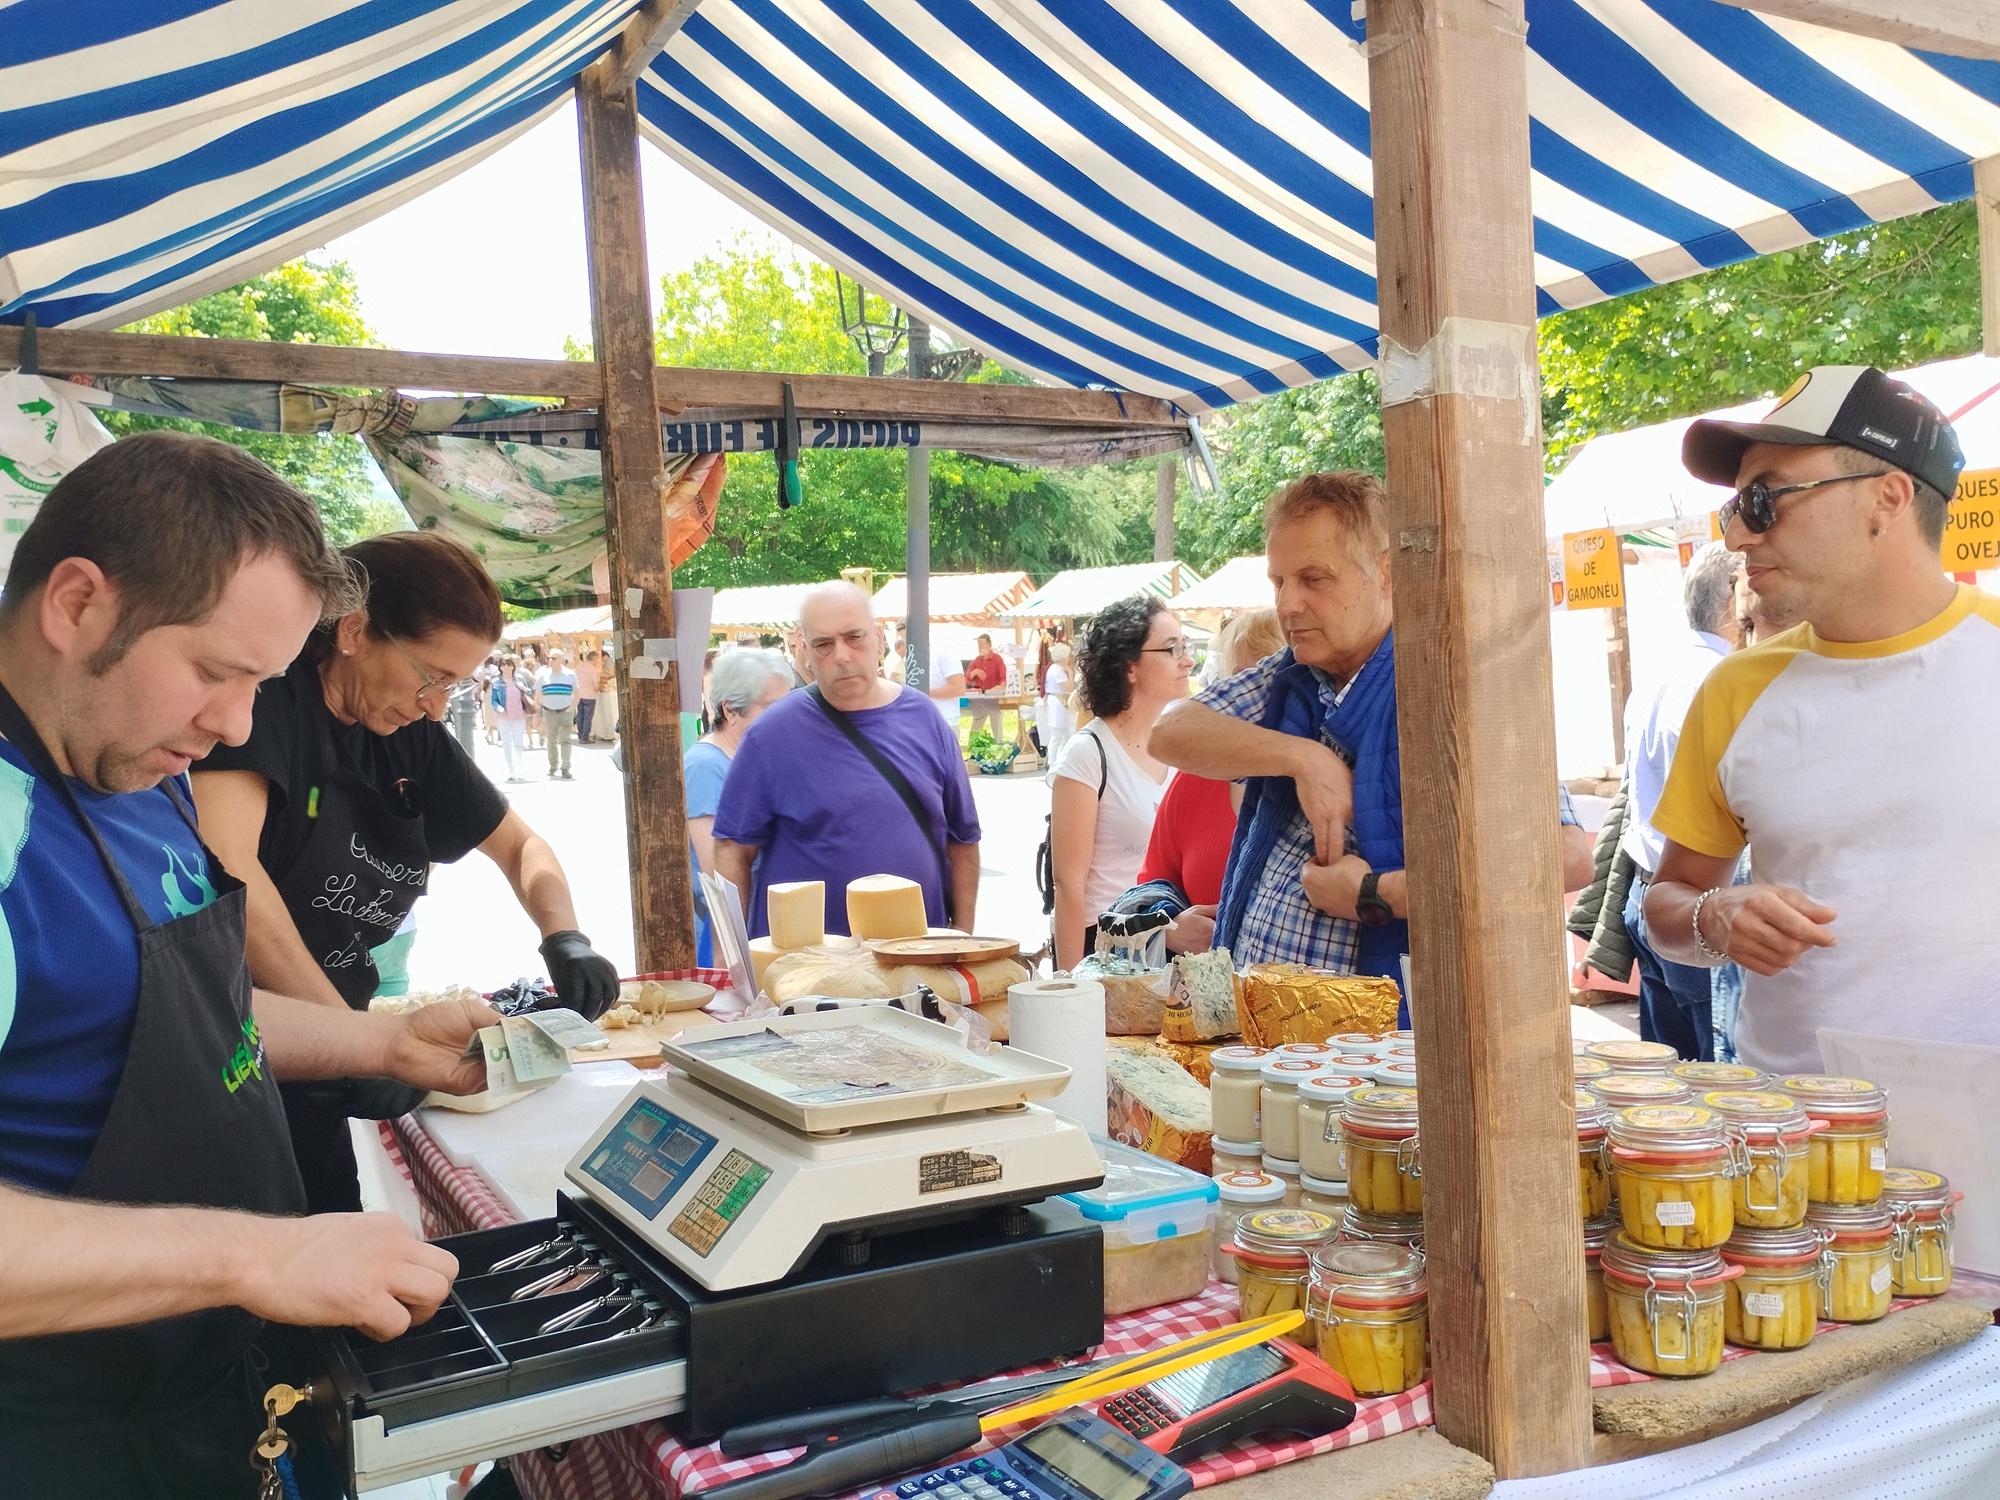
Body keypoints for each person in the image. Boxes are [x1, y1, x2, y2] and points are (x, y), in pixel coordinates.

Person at [0, 432, 497, 1498]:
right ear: (77, 602)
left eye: (260, 686)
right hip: (59, 1435)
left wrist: (378, 1039)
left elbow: (174, 1015)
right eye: (217, 674)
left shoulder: (141, 767)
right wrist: (257, 1256)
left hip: (203, 1390)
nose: (234, 725)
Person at [192, 529, 619, 1214]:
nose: (436, 704)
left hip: (326, 1058)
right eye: (431, 675)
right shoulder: (267, 704)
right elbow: (231, 873)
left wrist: (564, 934)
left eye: (455, 684)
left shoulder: (406, 731)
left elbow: (522, 847)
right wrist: (357, 1041)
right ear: (355, 631)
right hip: (232, 1062)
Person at [1643, 364, 2000, 1076]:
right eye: (1736, 508)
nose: (1740, 537)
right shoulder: (1736, 689)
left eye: (1765, 499)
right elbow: (1665, 904)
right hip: (1790, 1146)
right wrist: (1714, 915)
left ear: (1887, 499)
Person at [1151, 471, 1590, 999]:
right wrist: (1304, 758)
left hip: (1380, 1053)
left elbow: (1565, 860)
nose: (1288, 604)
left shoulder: (1453, 687)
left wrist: (1373, 894)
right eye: (1279, 582)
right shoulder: (1289, 674)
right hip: (1264, 1038)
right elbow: (1169, 731)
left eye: (1314, 578)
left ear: (1387, 574)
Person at [714, 583, 981, 938]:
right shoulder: (771, 734)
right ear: (805, 652)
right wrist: (733, 963)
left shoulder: (925, 719)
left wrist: (962, 938)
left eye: (854, 637)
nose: (841, 655)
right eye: (824, 644)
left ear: (878, 640)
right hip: (806, 976)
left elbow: (963, 840)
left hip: (916, 965)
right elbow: (732, 848)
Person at [1617, 542, 1744, 1060]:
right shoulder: (1717, 682)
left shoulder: (1661, 673)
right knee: (1705, 1085)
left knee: (1668, 1080)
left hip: (1652, 895)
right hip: (1691, 904)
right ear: (1735, 606)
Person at [1049, 596, 1190, 969]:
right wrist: (1068, 982)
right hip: (1106, 952)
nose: (1187, 660)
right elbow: (1067, 886)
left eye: (1185, 646)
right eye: (1172, 648)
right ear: (1130, 667)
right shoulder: (1088, 754)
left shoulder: (1183, 747)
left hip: (1167, 947)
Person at [1135, 608, 1285, 954]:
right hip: (1197, 1001)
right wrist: (1170, 929)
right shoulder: (1196, 777)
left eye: (1258, 681)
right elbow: (1151, 884)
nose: (1244, 700)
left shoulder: (1325, 783)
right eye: (1235, 680)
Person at [686, 648, 792, 963]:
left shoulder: (757, 758)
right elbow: (718, 871)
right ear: (730, 710)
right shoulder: (704, 766)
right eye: (774, 708)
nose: (786, 719)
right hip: (731, 936)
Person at [538, 646, 579, 779]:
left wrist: (572, 707)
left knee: (566, 740)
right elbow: (537, 695)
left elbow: (577, 693)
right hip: (549, 712)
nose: (550, 660)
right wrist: (536, 714)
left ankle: (565, 767)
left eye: (554, 658)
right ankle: (553, 765)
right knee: (551, 741)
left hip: (565, 711)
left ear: (561, 660)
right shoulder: (543, 675)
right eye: (549, 658)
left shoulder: (570, 674)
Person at [492, 650, 529, 781]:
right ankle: (510, 770)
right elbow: (494, 700)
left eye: (509, 664)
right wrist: (499, 708)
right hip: (504, 717)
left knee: (519, 743)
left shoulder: (519, 680)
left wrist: (524, 689)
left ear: (513, 666)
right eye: (503, 664)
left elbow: (527, 695)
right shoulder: (496, 682)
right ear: (500, 667)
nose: (506, 667)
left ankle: (519, 768)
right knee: (507, 743)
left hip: (519, 715)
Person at [965, 631, 1008, 741]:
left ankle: (999, 747)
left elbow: (1003, 678)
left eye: (982, 645)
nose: (980, 648)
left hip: (993, 698)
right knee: (976, 725)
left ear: (989, 645)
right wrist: (973, 673)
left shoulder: (997, 659)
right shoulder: (977, 660)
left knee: (996, 721)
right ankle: (973, 749)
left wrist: (1001, 686)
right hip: (979, 699)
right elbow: (966, 679)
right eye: (978, 646)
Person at [1039, 640, 1075, 764]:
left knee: (1062, 734)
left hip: (1057, 702)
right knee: (1058, 734)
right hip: (1057, 703)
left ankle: (1058, 760)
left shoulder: (1053, 668)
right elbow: (1068, 687)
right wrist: (1070, 674)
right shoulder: (1058, 671)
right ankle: (1053, 762)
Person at [576, 647, 603, 744]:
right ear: (594, 658)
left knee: (580, 715)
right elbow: (596, 687)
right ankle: (585, 737)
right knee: (587, 717)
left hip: (579, 695)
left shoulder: (578, 668)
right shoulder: (594, 670)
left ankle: (580, 735)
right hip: (590, 696)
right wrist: (600, 688)